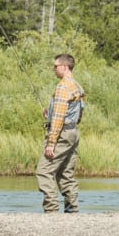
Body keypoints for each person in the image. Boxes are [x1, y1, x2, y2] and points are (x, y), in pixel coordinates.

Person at [35, 53, 85, 213]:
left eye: (55, 66)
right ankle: (72, 210)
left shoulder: (63, 87)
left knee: (44, 171)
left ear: (64, 67)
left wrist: (51, 144)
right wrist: (49, 113)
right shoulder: (76, 86)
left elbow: (58, 119)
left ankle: (51, 210)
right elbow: (76, 112)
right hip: (73, 132)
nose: (53, 69)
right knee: (65, 173)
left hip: (62, 134)